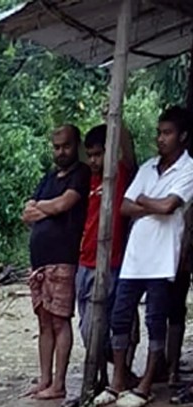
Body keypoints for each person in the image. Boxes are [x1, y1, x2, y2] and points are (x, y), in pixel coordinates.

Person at [103, 107, 193, 407]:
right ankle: (117, 381)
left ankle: (146, 385)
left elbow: (169, 206)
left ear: (182, 136)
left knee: (157, 319)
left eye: (167, 133)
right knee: (120, 315)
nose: (160, 139)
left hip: (162, 258)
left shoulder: (189, 169)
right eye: (159, 132)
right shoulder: (148, 166)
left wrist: (144, 200)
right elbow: (125, 207)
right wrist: (149, 202)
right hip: (136, 256)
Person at [22, 124, 92, 400]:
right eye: (56, 147)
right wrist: (44, 208)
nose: (61, 152)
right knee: (43, 321)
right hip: (39, 261)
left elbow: (65, 204)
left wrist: (43, 207)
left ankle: (59, 383)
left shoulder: (81, 174)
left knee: (60, 321)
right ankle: (44, 380)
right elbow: (26, 212)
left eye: (66, 146)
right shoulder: (49, 176)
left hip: (63, 259)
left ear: (77, 146)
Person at [75, 124, 135, 375]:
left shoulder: (118, 176)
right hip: (84, 262)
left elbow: (129, 156)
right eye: (90, 155)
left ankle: (118, 374)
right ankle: (99, 376)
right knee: (87, 328)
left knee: (111, 324)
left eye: (99, 154)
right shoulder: (86, 179)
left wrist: (117, 126)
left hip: (111, 262)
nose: (94, 160)